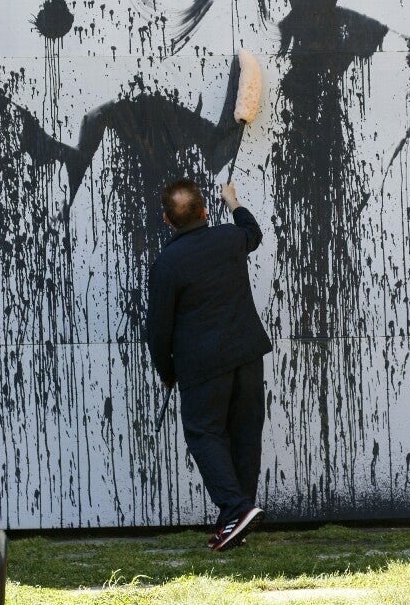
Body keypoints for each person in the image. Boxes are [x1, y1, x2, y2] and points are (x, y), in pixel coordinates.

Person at [146, 178, 272, 551]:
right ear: (203, 211)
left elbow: (159, 332)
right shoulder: (229, 239)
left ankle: (235, 509)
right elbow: (252, 231)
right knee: (244, 436)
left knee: (204, 433)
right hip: (246, 356)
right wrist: (231, 201)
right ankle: (236, 520)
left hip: (203, 367)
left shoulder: (167, 264)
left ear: (168, 221)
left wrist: (168, 374)